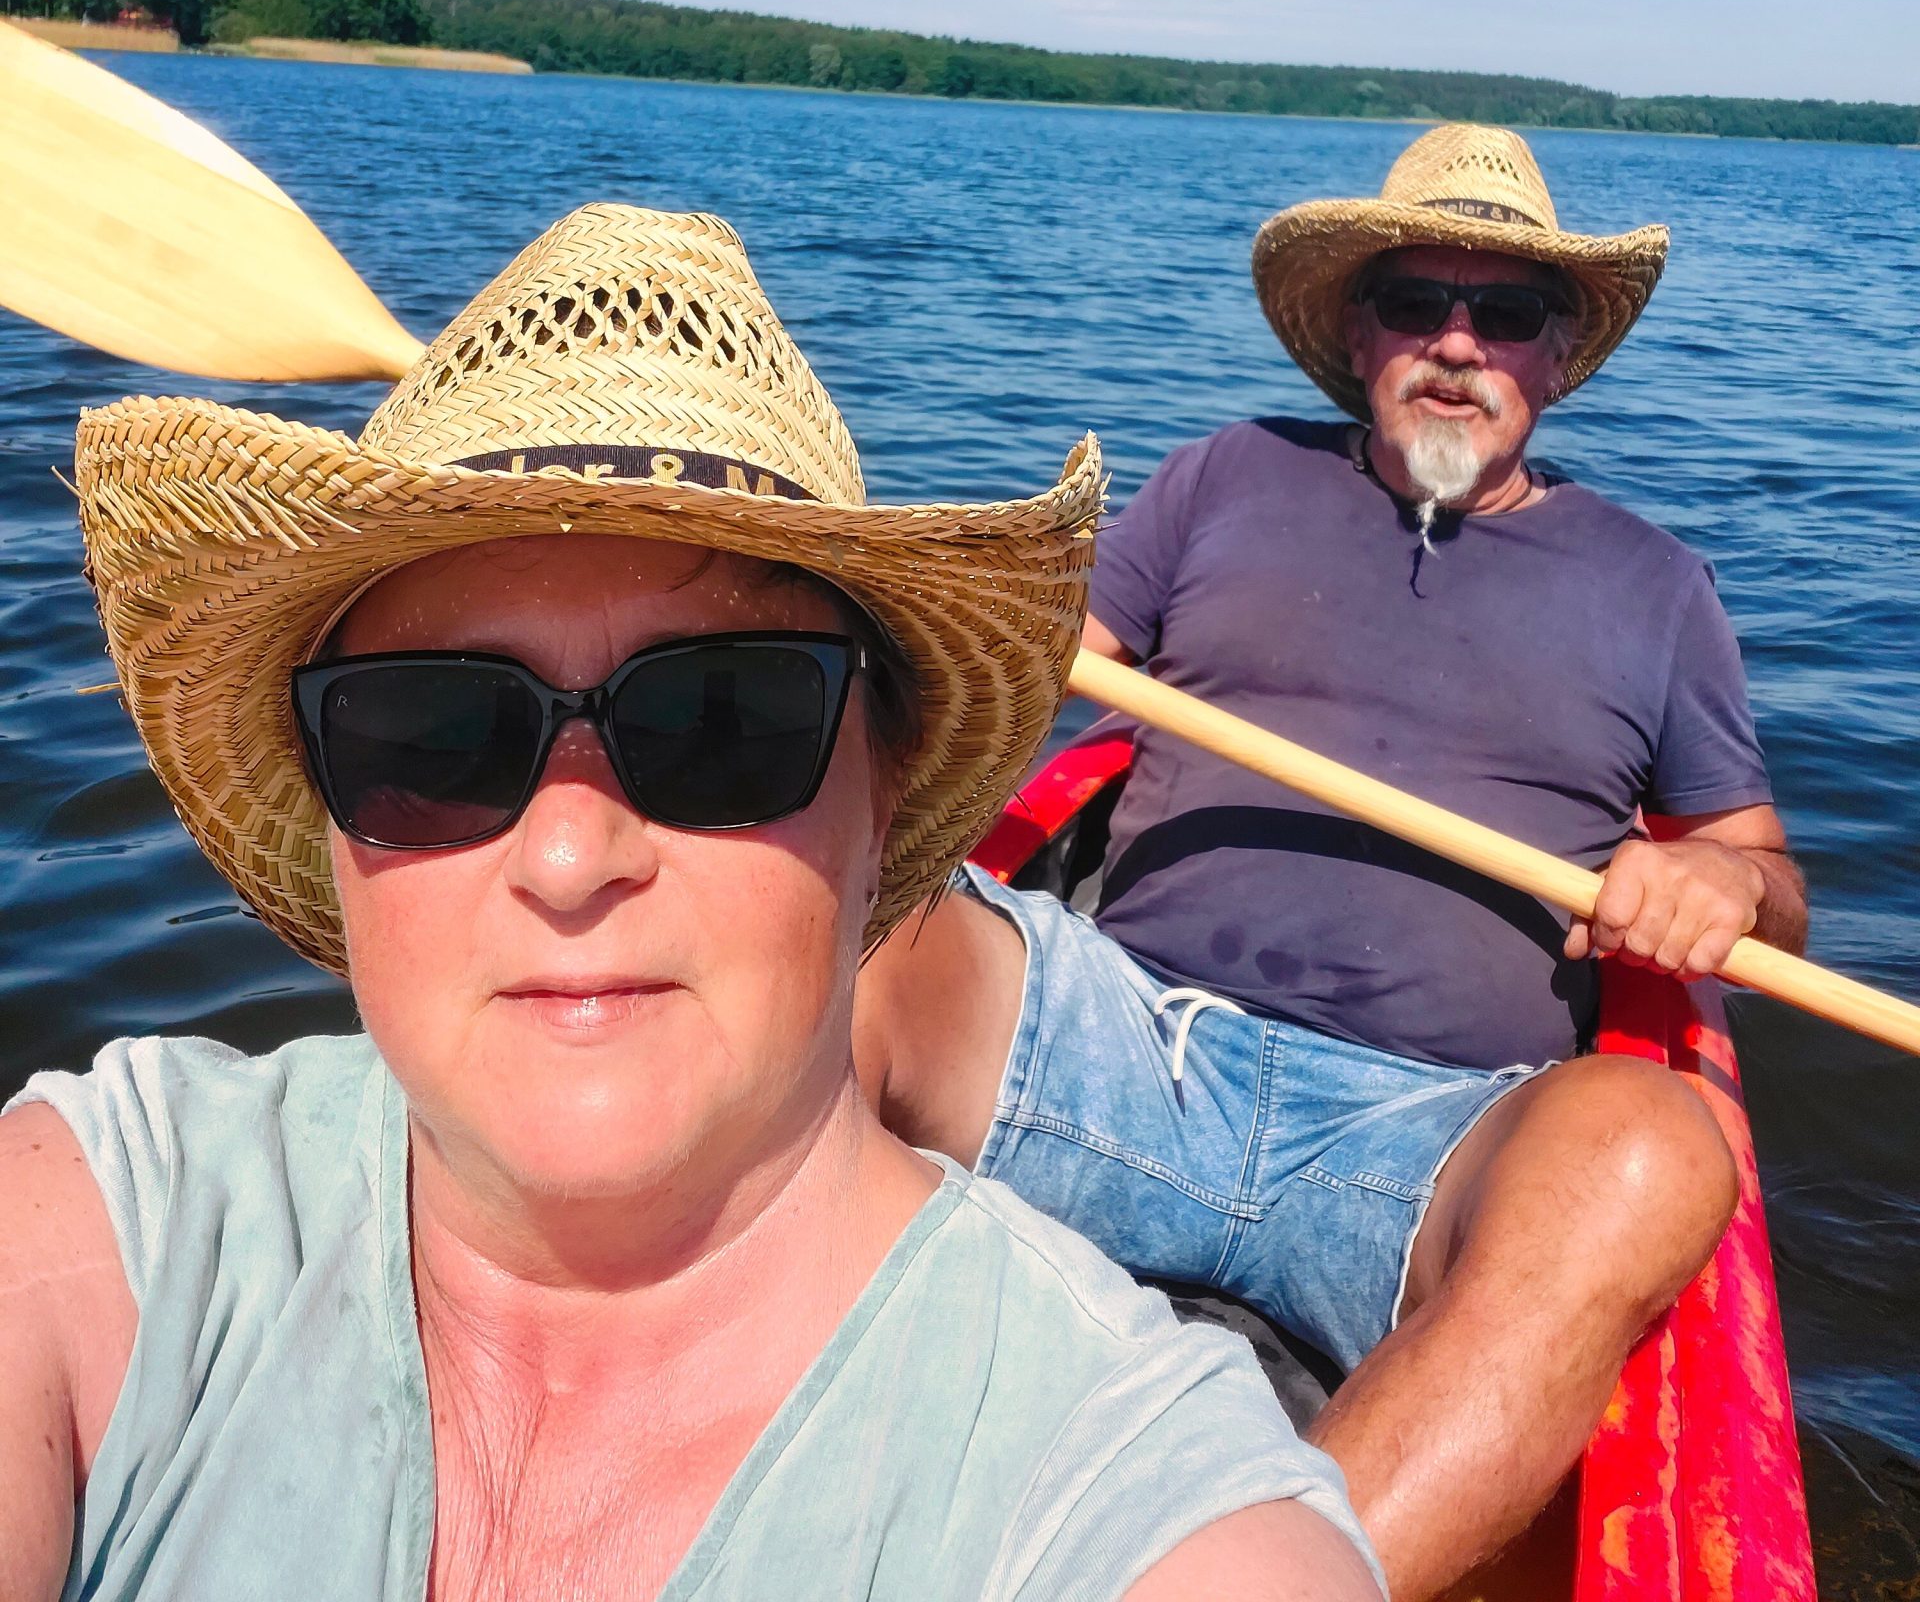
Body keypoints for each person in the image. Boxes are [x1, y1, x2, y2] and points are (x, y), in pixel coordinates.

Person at [0, 204, 1379, 1602]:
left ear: (883, 793)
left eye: (720, 720)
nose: (568, 853)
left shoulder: (1118, 1491)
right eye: (432, 733)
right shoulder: (119, 1225)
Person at [858, 124, 1808, 1602]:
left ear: (1557, 355)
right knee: (841, 924)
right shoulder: (1221, 479)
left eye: (1507, 314)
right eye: (1418, 301)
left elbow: (1763, 871)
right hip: (1125, 1039)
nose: (1457, 344)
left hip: (1429, 1139)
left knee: (1659, 1146)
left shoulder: (1657, 586)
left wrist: (1729, 890)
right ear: (1356, 331)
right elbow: (1042, 677)